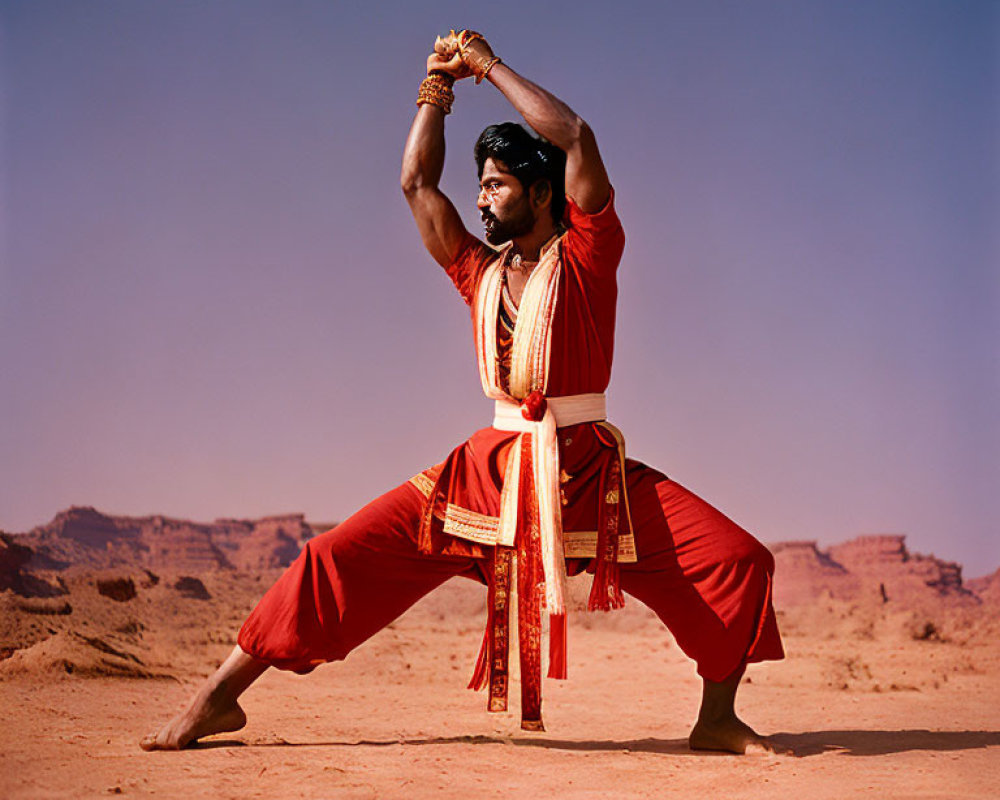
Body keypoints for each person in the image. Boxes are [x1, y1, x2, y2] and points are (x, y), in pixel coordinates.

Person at [140, 30, 784, 755]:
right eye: (479, 184)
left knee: (736, 559)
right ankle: (217, 697)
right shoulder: (478, 273)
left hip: (590, 476)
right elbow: (417, 185)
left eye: (497, 184)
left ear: (542, 193)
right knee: (335, 556)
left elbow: (575, 134)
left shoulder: (590, 255)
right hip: (487, 476)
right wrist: (436, 91)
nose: (480, 199)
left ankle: (717, 717)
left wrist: (489, 66)